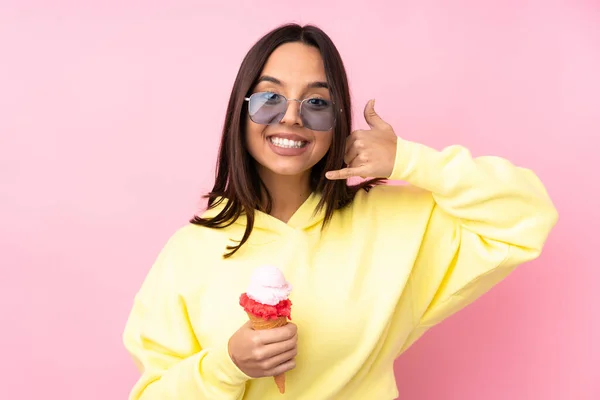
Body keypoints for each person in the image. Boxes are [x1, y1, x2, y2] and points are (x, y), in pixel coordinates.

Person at [122, 23, 558, 400]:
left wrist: (409, 161)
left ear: (338, 121)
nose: (291, 117)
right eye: (269, 97)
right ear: (242, 111)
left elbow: (526, 214)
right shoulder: (190, 251)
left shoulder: (395, 224)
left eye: (316, 102)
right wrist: (227, 365)